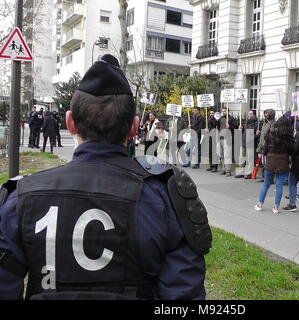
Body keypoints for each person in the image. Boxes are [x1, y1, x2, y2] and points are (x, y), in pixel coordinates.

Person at [0, 54, 211, 300]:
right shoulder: (167, 200)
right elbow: (183, 293)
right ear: (134, 127)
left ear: (70, 123)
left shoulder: (22, 198)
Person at [254, 116, 294, 214]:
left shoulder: (270, 133)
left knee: (266, 184)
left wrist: (266, 153)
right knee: (279, 185)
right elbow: (291, 149)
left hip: (271, 160)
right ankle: (276, 207)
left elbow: (266, 147)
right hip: (283, 161)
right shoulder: (288, 135)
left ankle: (259, 204)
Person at [235, 110, 259, 179]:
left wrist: (255, 136)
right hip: (244, 142)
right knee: (241, 158)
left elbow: (257, 135)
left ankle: (249, 173)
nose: (248, 115)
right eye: (248, 113)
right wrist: (240, 128)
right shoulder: (246, 122)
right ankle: (241, 172)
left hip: (250, 143)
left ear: (254, 115)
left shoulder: (256, 124)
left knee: (250, 159)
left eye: (250, 114)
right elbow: (244, 132)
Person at [255, 109, 276, 182]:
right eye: (265, 113)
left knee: (268, 163)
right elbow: (264, 134)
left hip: (268, 146)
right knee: (264, 162)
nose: (265, 115)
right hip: (263, 145)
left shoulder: (272, 123)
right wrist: (259, 133)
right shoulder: (265, 123)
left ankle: (269, 178)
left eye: (266, 113)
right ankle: (265, 177)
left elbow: (271, 134)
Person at [218, 107, 237, 177]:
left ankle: (228, 171)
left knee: (227, 155)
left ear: (228, 111)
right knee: (222, 155)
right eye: (222, 111)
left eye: (225, 111)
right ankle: (224, 169)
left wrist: (230, 126)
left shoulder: (232, 119)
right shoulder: (220, 118)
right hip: (220, 138)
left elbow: (236, 127)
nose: (223, 112)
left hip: (227, 139)